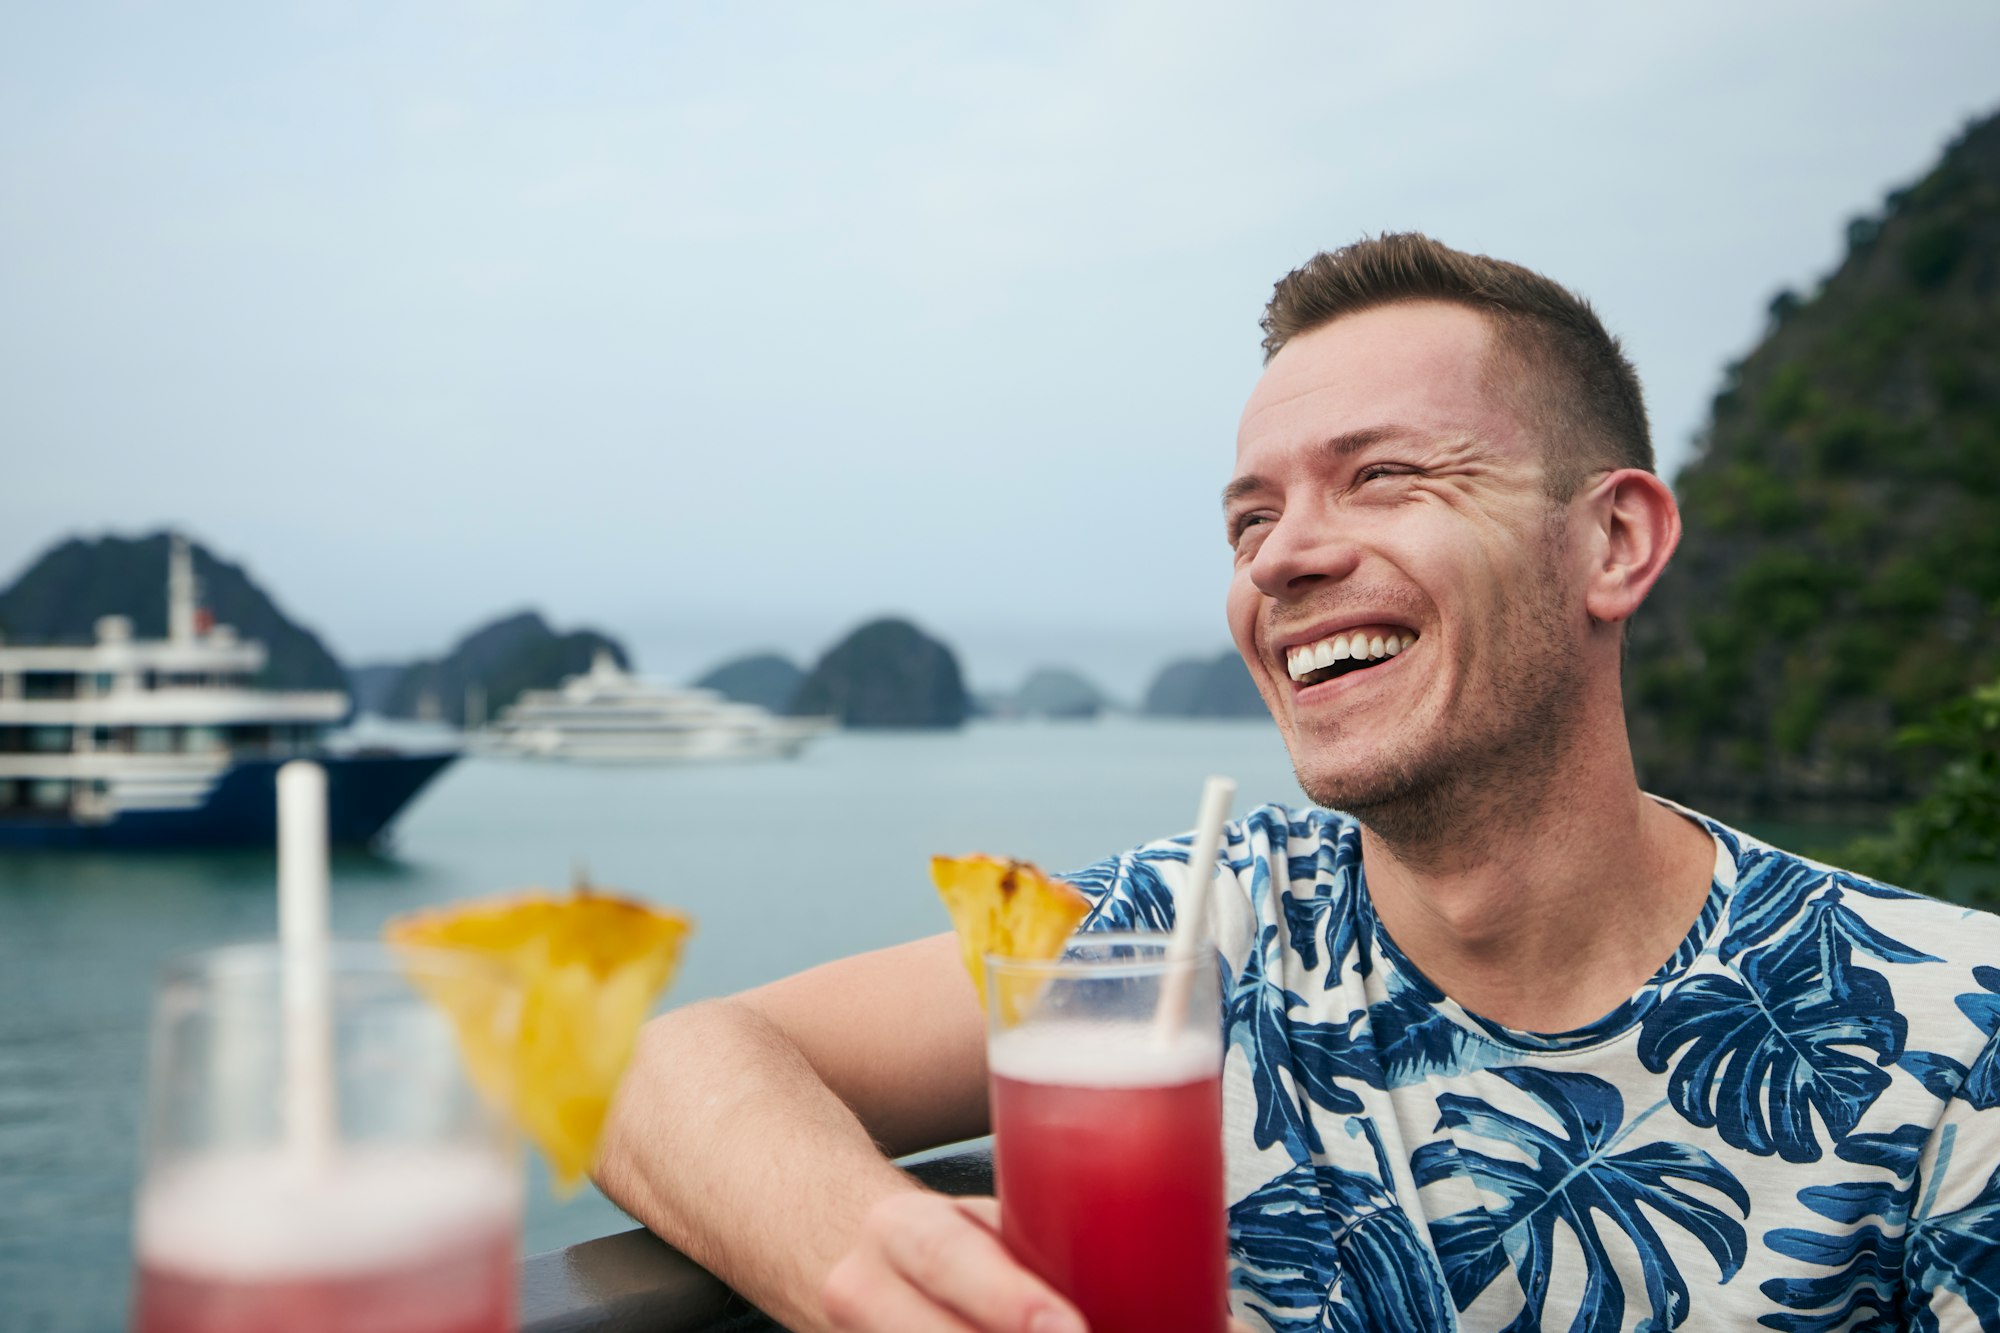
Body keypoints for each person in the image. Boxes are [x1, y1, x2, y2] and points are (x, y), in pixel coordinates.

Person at [597, 234, 2000, 1332]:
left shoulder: (1949, 1045)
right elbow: (651, 1066)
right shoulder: (1188, 942)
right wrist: (884, 1262)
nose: (1277, 558)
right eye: (1250, 518)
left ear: (1614, 542)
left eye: (1382, 476)